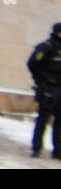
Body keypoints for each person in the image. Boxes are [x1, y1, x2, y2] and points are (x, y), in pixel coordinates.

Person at [27, 22, 61, 159]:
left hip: (60, 89)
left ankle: (58, 150)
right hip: (48, 88)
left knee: (60, 121)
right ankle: (37, 148)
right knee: (43, 119)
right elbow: (32, 64)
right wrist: (41, 81)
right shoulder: (46, 47)